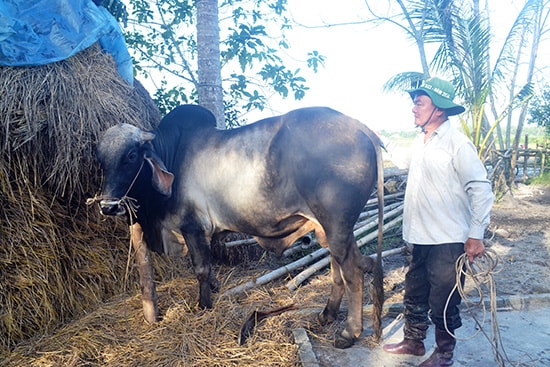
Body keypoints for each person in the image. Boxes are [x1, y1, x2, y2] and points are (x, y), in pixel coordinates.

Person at [382, 77, 494, 367]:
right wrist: (380, 139)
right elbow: (403, 158)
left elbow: (481, 189)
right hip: (417, 235)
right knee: (415, 290)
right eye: (414, 102)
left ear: (440, 109)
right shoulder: (421, 142)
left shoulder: (457, 144)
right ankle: (414, 342)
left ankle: (444, 354)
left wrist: (476, 235)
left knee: (444, 299)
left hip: (447, 238)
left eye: (420, 102)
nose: (413, 108)